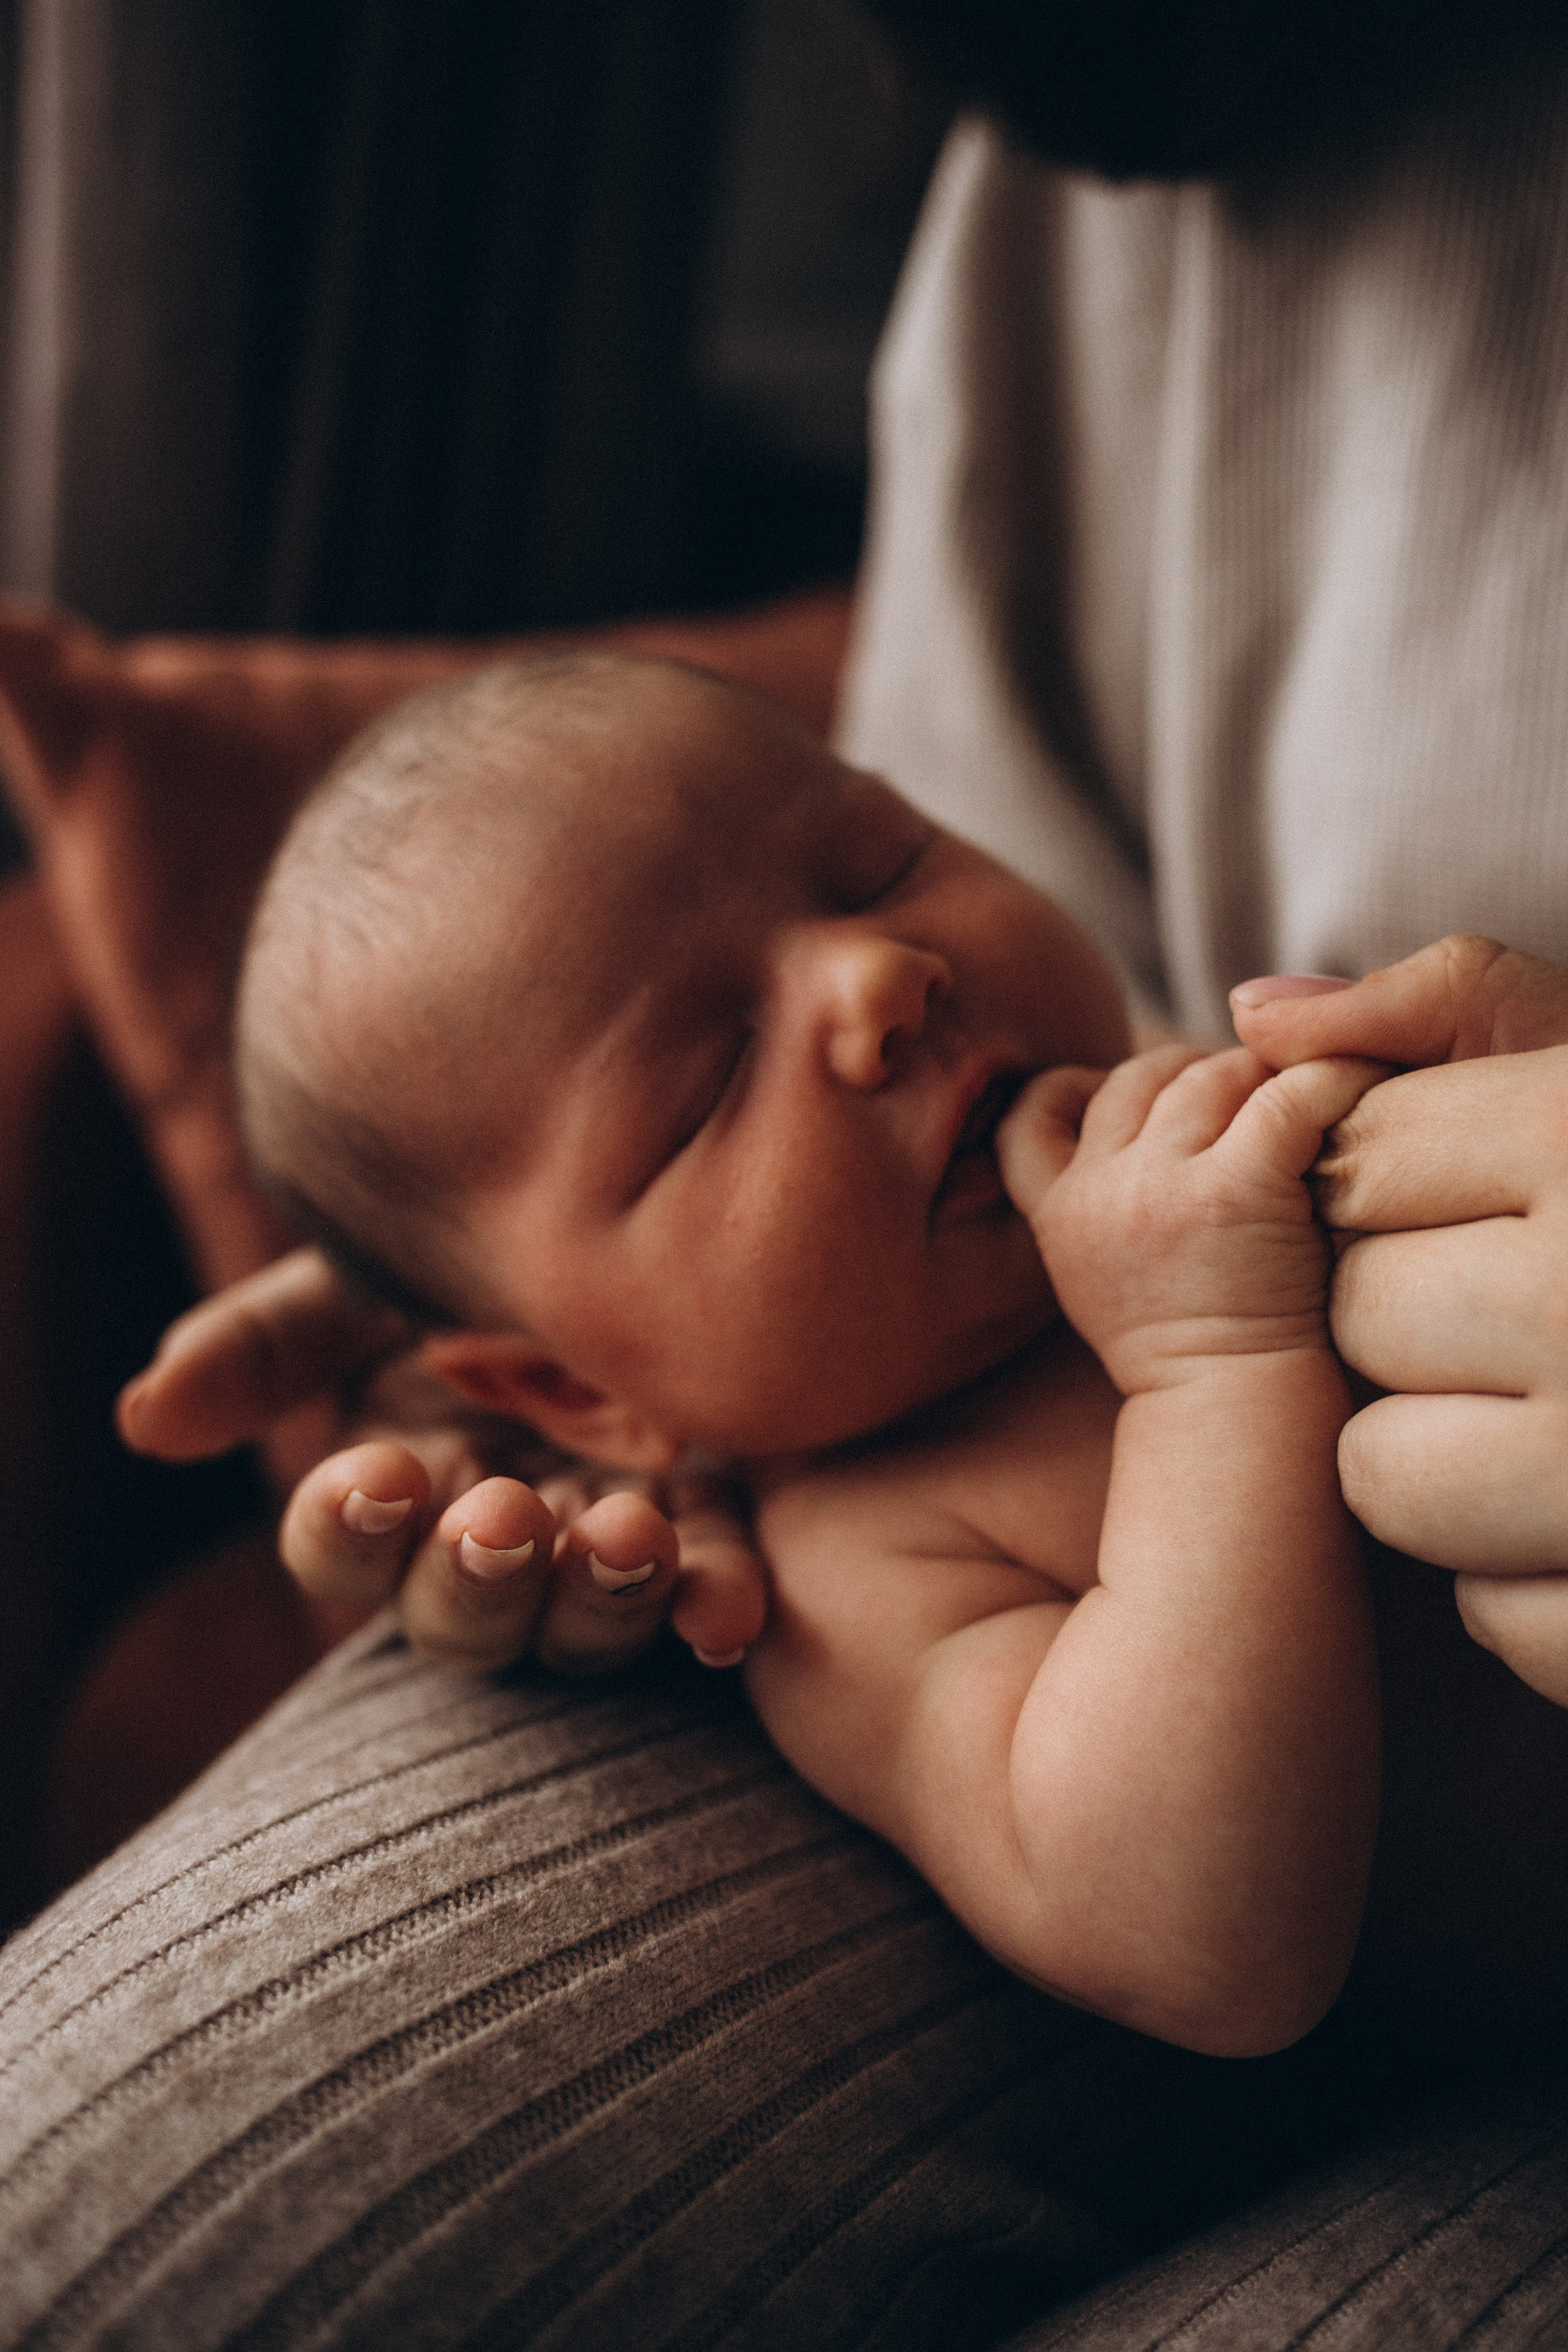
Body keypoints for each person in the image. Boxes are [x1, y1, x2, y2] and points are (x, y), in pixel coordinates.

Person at [15, 9, 1568, 2342]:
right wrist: (1224, 1359)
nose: (878, 985)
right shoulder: (850, 1572)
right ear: (580, 1388)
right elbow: (1206, 1944)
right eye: (700, 1082)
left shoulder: (1182, 1111)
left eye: (880, 852)